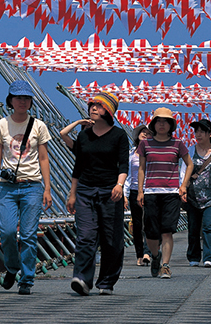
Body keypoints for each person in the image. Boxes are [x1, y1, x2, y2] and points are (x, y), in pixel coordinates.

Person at [0, 80, 52, 295]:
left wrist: (47, 189)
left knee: (28, 234)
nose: (22, 102)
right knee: (6, 232)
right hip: (7, 187)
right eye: (18, 98)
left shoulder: (38, 126)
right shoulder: (1, 125)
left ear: (31, 101)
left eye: (26, 98)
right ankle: (12, 267)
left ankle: (26, 279)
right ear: (10, 100)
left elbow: (44, 158)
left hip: (32, 186)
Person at [64, 92, 129, 296]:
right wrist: (72, 194)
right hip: (85, 191)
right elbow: (78, 167)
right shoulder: (84, 135)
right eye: (91, 105)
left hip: (110, 191)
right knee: (85, 236)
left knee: (111, 238)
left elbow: (124, 164)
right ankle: (82, 279)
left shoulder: (119, 135)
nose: (93, 108)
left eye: (98, 106)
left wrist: (120, 185)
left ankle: (107, 281)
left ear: (108, 111)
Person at [137, 107, 194, 279]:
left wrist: (183, 185)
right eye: (158, 121)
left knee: (167, 230)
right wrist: (140, 190)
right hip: (151, 191)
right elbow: (141, 168)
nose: (162, 124)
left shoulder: (178, 144)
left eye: (165, 122)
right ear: (154, 124)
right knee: (151, 232)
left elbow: (189, 164)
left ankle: (166, 266)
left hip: (171, 192)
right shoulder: (145, 144)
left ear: (171, 125)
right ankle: (156, 256)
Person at [181, 119, 211, 268]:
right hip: (193, 196)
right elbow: (184, 171)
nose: (198, 134)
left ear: (210, 134)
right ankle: (193, 257)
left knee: (208, 226)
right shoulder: (190, 150)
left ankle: (209, 257)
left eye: (202, 131)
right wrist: (182, 188)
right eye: (196, 131)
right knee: (193, 228)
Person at [124, 125, 153, 266]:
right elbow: (128, 177)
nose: (145, 134)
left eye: (148, 133)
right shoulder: (131, 154)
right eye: (143, 132)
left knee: (149, 221)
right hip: (135, 191)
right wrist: (125, 194)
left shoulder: (152, 154)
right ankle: (139, 254)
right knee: (137, 224)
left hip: (150, 191)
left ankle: (147, 252)